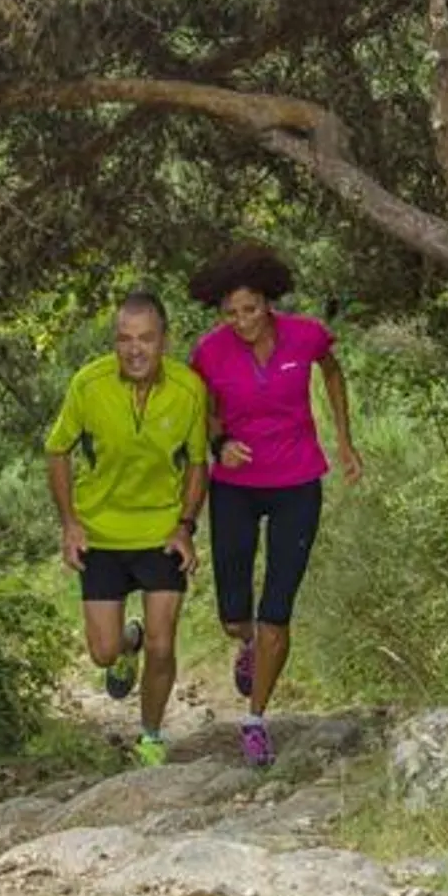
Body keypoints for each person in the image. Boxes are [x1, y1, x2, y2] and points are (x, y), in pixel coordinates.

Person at [188, 245, 362, 767]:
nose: (242, 321)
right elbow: (205, 413)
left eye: (251, 309)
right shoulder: (209, 352)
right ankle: (245, 645)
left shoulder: (306, 334)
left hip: (297, 482)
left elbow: (332, 373)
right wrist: (220, 445)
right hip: (237, 487)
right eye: (231, 313)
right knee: (234, 615)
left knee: (276, 612)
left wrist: (345, 441)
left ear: (268, 301)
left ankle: (256, 719)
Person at [45, 290, 207, 767]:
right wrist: (70, 523)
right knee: (102, 653)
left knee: (164, 642)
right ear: (114, 342)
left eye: (147, 339)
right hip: (101, 535)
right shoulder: (88, 385)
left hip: (160, 533)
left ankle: (152, 736)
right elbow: (57, 450)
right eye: (124, 339)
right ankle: (124, 644)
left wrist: (185, 526)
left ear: (164, 341)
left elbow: (199, 464)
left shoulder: (189, 388)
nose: (135, 350)